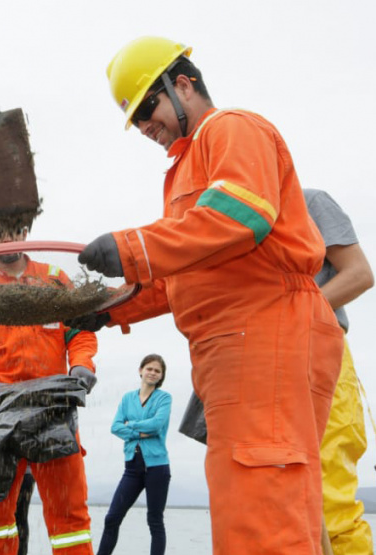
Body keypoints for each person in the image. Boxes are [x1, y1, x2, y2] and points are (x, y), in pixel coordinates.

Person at [77, 37, 344, 553]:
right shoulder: (184, 169)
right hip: (234, 346)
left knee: (261, 511)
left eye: (147, 108)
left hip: (266, 332)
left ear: (183, 84)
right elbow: (184, 273)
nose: (144, 127)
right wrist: (108, 311)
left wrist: (132, 248)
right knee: (268, 502)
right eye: (135, 121)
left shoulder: (231, 128)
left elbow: (238, 217)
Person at [0, 218, 98, 555]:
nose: (6, 239)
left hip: (53, 410)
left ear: (25, 232)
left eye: (13, 231)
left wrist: (81, 363)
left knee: (70, 518)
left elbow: (80, 333)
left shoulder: (53, 279)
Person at [304, 189, 374, 554]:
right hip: (264, 365)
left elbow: (361, 274)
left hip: (322, 353)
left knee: (332, 503)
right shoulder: (229, 219)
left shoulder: (309, 202)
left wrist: (292, 316)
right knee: (283, 502)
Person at [97, 354, 172, 555]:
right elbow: (115, 427)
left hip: (157, 467)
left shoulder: (164, 398)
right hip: (132, 468)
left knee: (154, 520)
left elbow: (157, 425)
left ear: (161, 376)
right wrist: (139, 432)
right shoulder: (127, 398)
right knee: (112, 518)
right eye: (149, 368)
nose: (152, 373)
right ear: (140, 370)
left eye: (157, 371)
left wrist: (130, 426)